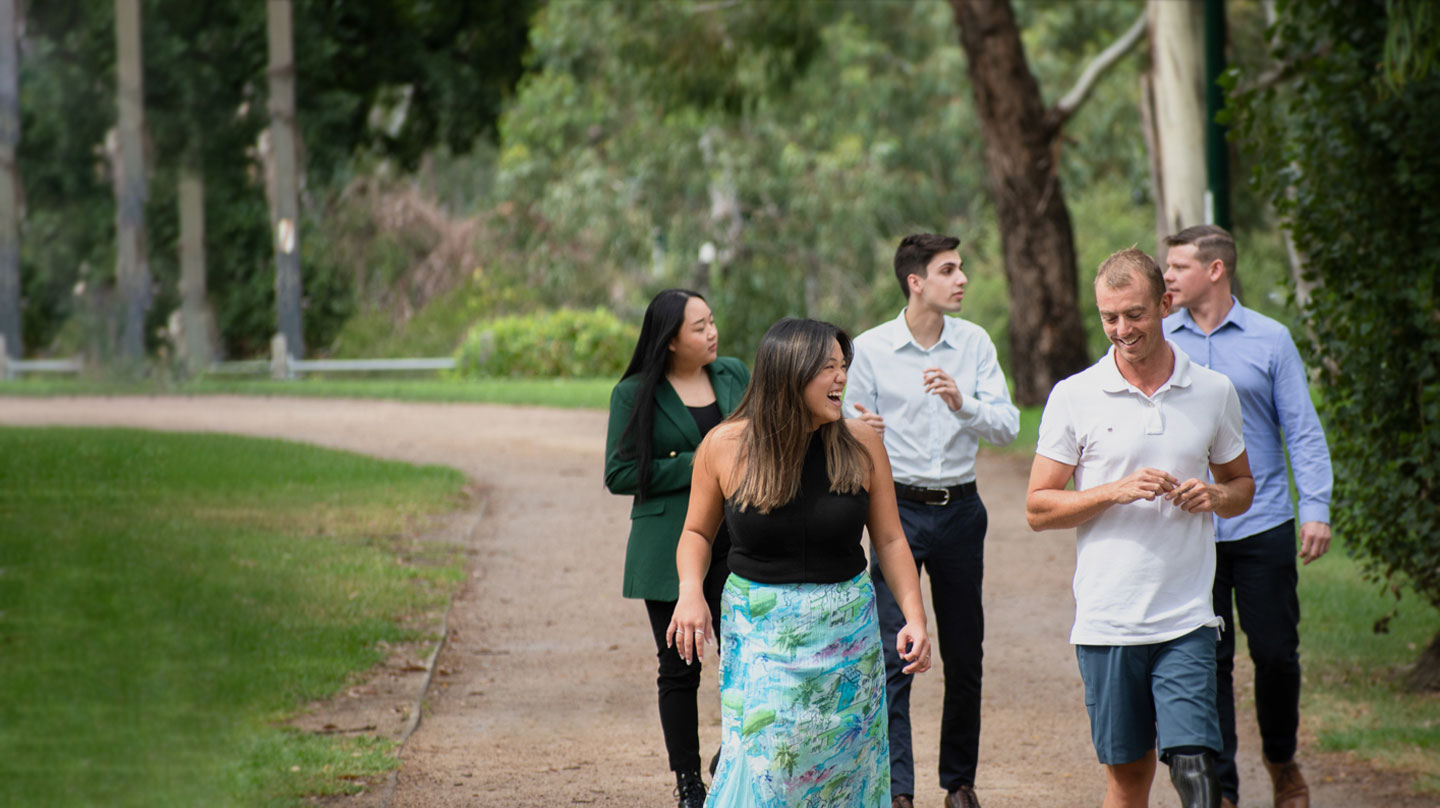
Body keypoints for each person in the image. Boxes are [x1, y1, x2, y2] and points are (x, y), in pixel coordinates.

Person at [668, 317, 933, 807]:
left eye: (843, 366)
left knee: (846, 766)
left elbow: (892, 540)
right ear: (790, 372)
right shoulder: (725, 446)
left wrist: (915, 615)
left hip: (849, 637)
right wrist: (689, 591)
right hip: (761, 637)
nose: (841, 378)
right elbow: (696, 533)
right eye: (828, 367)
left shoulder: (862, 443)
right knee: (769, 766)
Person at [1025, 247, 1255, 808]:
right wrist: (1115, 490)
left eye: (1135, 314)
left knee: (1198, 770)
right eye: (1109, 317)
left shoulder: (1213, 391)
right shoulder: (1074, 395)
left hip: (1186, 620)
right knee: (1129, 782)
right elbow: (1037, 507)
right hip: (1108, 624)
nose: (1122, 330)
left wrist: (1216, 494)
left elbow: (1242, 486)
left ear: (1165, 303)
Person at [842, 233, 1019, 808]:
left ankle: (959, 784)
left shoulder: (974, 344)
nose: (962, 278)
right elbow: (846, 422)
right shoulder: (869, 349)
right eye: (949, 270)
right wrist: (864, 432)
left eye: (961, 268)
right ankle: (898, 791)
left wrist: (960, 402)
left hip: (963, 512)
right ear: (915, 282)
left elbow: (1009, 426)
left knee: (966, 653)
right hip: (898, 512)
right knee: (895, 655)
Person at [1162, 225, 1332, 808]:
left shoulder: (1270, 339)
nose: (1167, 277)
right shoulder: (1159, 338)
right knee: (1208, 660)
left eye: (1178, 267)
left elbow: (1302, 431)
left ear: (1215, 270)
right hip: (1191, 530)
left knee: (1277, 654)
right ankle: (1224, 789)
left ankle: (1281, 760)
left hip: (1263, 524)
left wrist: (1316, 509)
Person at [603, 289, 751, 808]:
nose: (712, 333)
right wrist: (699, 461)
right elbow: (619, 473)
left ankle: (729, 757)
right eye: (699, 327)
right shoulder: (634, 393)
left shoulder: (733, 374)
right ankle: (689, 782)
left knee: (750, 654)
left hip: (739, 538)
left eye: (712, 321)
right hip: (669, 545)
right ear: (669, 341)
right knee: (680, 665)